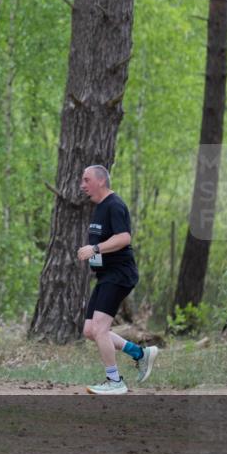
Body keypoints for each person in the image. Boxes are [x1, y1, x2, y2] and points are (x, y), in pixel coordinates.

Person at [78, 164, 157, 395]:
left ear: (101, 181)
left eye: (86, 180)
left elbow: (124, 238)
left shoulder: (115, 205)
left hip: (119, 274)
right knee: (90, 330)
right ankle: (140, 354)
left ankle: (115, 382)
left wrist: (94, 249)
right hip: (106, 276)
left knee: (100, 328)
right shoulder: (100, 207)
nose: (82, 185)